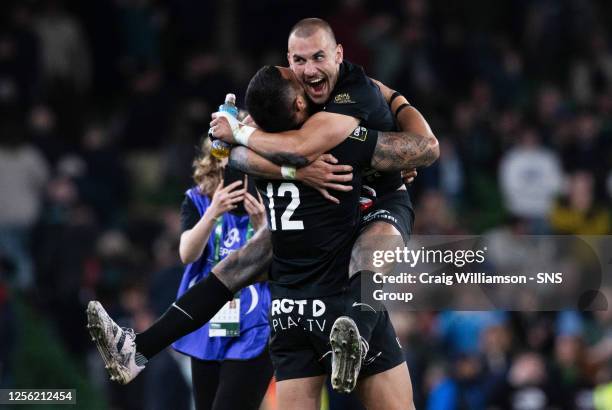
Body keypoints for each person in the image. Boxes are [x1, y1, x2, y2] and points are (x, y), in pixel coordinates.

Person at [88, 63, 437, 410]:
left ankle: (140, 348)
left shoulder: (256, 146)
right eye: (295, 70)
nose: (303, 73)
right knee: (372, 248)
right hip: (338, 295)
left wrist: (251, 142)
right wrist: (395, 101)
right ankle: (358, 333)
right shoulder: (339, 135)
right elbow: (425, 148)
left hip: (287, 304)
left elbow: (235, 153)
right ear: (299, 104)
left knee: (240, 263)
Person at [210, 17, 425, 395]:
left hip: (306, 290)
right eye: (300, 61)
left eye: (319, 58)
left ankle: (142, 347)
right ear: (288, 64)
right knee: (246, 260)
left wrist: (396, 102)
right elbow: (242, 152)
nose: (309, 70)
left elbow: (426, 149)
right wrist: (295, 171)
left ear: (338, 55)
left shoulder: (352, 97)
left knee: (248, 262)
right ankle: (141, 347)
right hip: (323, 285)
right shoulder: (281, 105)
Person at [174, 137, 272, 410]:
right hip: (208, 323)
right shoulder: (199, 199)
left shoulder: (272, 197)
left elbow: (284, 263)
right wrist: (213, 213)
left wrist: (264, 228)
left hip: (255, 322)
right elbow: (187, 254)